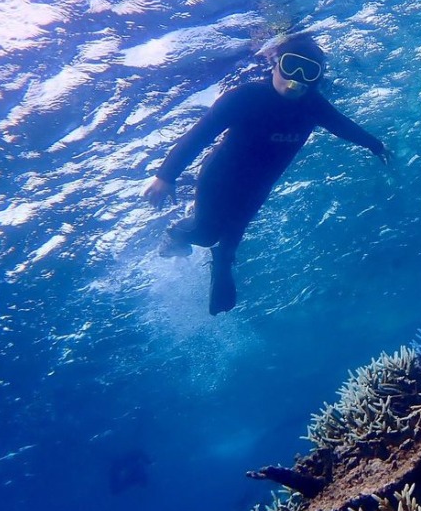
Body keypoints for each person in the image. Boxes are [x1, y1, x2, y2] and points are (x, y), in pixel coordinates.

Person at [143, 33, 391, 314]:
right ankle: (177, 233)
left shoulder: (313, 105)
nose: (296, 78)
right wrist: (166, 175)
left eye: (309, 72)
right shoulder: (245, 98)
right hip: (219, 180)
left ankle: (222, 265)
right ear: (275, 64)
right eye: (291, 66)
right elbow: (199, 135)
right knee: (206, 234)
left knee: (230, 244)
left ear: (317, 78)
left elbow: (343, 126)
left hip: (257, 189)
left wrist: (376, 145)